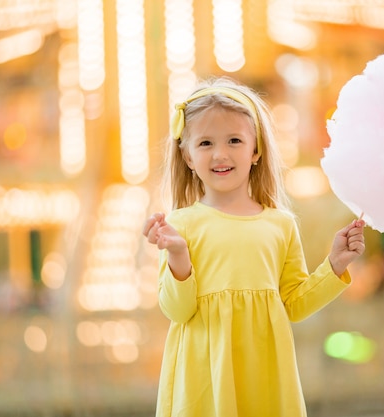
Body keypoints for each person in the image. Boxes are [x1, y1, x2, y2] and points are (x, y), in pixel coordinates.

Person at [143, 76, 365, 417]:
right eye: (205, 143)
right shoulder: (181, 225)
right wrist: (178, 256)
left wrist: (334, 264)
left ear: (256, 150)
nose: (220, 154)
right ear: (186, 156)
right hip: (205, 373)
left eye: (234, 140)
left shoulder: (280, 224)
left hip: (265, 369)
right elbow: (177, 311)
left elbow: (293, 304)